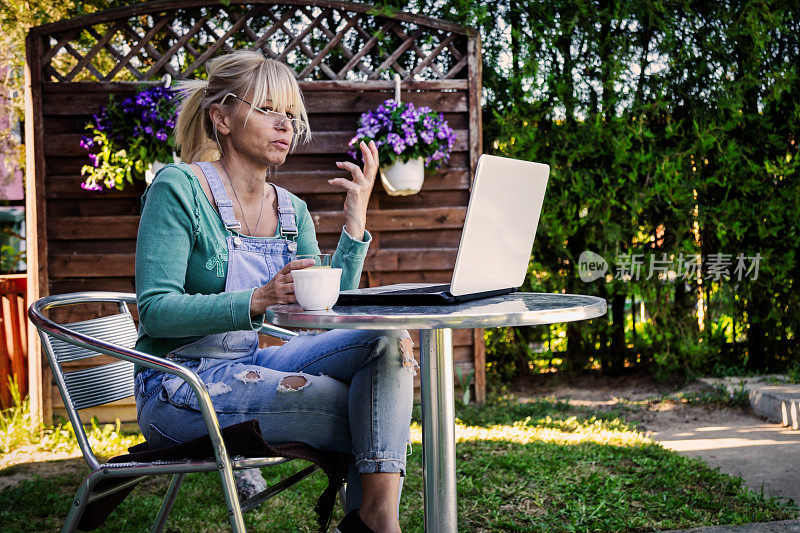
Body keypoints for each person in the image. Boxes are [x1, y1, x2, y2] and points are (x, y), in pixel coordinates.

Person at [133, 50, 415, 533]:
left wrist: (355, 223)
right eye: (267, 109)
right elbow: (155, 312)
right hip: (180, 384)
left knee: (387, 343)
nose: (284, 125)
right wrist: (257, 300)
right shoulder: (177, 188)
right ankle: (376, 525)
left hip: (251, 366)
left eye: (291, 114)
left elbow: (327, 307)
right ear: (221, 118)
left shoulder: (291, 209)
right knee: (370, 405)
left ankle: (375, 516)